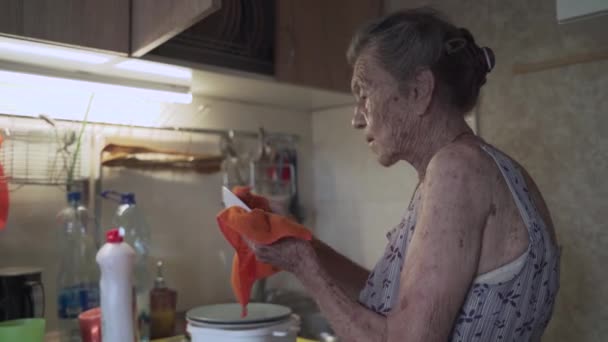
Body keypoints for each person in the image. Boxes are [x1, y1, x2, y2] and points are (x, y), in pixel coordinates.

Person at [251, 8, 560, 342]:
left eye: (363, 94)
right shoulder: (486, 167)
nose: (356, 119)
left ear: (418, 90)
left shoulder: (456, 169)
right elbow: (392, 303)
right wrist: (298, 243)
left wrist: (304, 268)